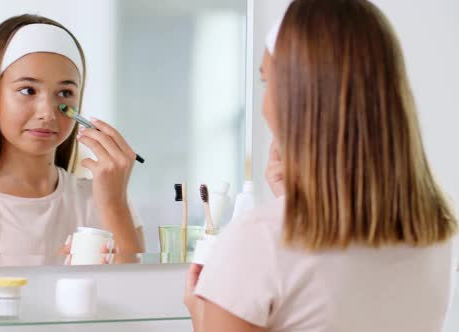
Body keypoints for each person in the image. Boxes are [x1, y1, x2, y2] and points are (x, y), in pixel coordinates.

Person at [184, 0, 458, 331]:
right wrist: (292, 203)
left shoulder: (258, 241)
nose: (264, 105)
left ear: (299, 99)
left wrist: (201, 314)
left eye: (266, 82)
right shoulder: (435, 230)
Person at [0, 14, 144, 267]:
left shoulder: (105, 201)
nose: (47, 112)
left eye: (65, 93)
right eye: (28, 90)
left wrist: (113, 204)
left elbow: (139, 295)